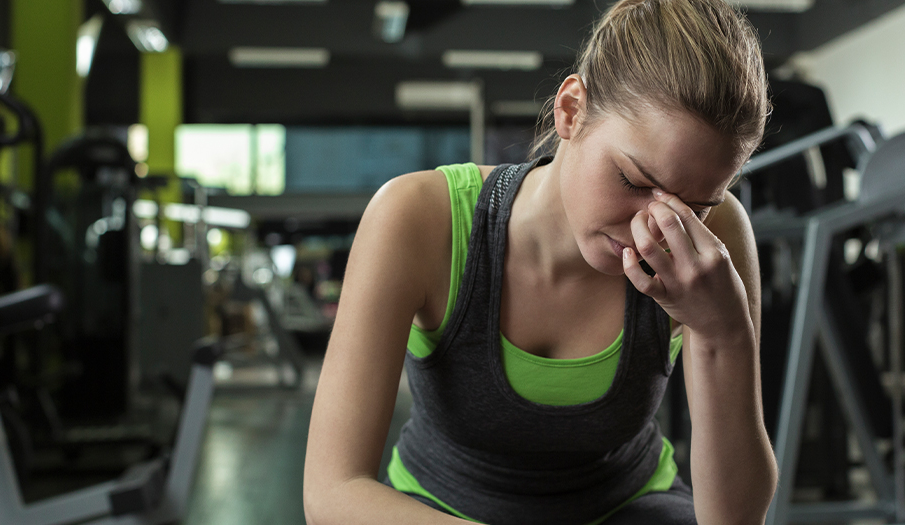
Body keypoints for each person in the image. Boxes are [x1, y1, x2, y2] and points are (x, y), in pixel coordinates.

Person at [303, 0, 777, 523]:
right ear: (571, 110)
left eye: (693, 207)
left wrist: (722, 334)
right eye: (634, 181)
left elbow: (732, 521)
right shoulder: (416, 217)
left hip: (627, 507)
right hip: (438, 507)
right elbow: (333, 491)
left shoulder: (714, 239)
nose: (654, 228)